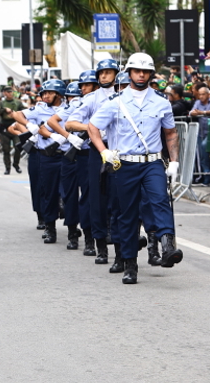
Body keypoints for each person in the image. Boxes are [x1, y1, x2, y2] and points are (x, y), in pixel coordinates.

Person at [87, 53, 183, 284]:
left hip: (152, 162)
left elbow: (170, 133)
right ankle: (130, 264)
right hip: (125, 163)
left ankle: (168, 245)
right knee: (127, 213)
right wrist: (103, 151)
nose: (141, 75)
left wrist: (174, 161)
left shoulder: (161, 102)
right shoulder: (115, 103)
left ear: (150, 74)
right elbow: (92, 127)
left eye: (146, 71)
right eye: (137, 71)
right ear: (129, 72)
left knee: (160, 199)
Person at [66, 59, 120, 265]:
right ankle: (100, 246)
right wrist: (91, 128)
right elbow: (70, 122)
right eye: (101, 73)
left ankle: (122, 247)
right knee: (96, 198)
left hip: (119, 150)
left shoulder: (125, 94)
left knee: (119, 198)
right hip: (97, 151)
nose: (105, 76)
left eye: (109, 72)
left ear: (116, 74)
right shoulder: (91, 99)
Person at [47, 71, 98, 254]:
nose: (82, 88)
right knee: (69, 196)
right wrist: (67, 136)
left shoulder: (100, 104)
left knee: (88, 197)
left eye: (86, 85)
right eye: (81, 85)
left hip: (87, 155)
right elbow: (52, 121)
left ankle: (90, 237)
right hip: (71, 155)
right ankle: (71, 234)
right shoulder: (75, 105)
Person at [13, 79, 67, 240]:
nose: (45, 96)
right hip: (45, 154)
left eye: (49, 93)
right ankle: (49, 226)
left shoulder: (69, 108)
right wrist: (29, 125)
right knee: (46, 192)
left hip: (67, 155)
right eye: (43, 93)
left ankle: (72, 228)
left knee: (67, 192)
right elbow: (17, 115)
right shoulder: (39, 109)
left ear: (59, 94)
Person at [0, 86, 24, 175]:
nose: (10, 93)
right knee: (6, 149)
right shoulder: (1, 103)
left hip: (15, 127)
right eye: (8, 92)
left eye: (11, 92)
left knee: (18, 147)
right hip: (5, 128)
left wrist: (16, 114)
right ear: (5, 93)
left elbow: (25, 112)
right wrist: (3, 110)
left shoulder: (18, 102)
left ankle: (16, 164)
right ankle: (8, 167)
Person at [191, 86, 210, 185]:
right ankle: (207, 176)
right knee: (202, 156)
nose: (201, 96)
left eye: (203, 94)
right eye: (199, 94)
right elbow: (191, 112)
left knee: (206, 150)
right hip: (201, 133)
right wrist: (195, 113)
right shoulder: (197, 103)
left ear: (208, 94)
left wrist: (202, 113)